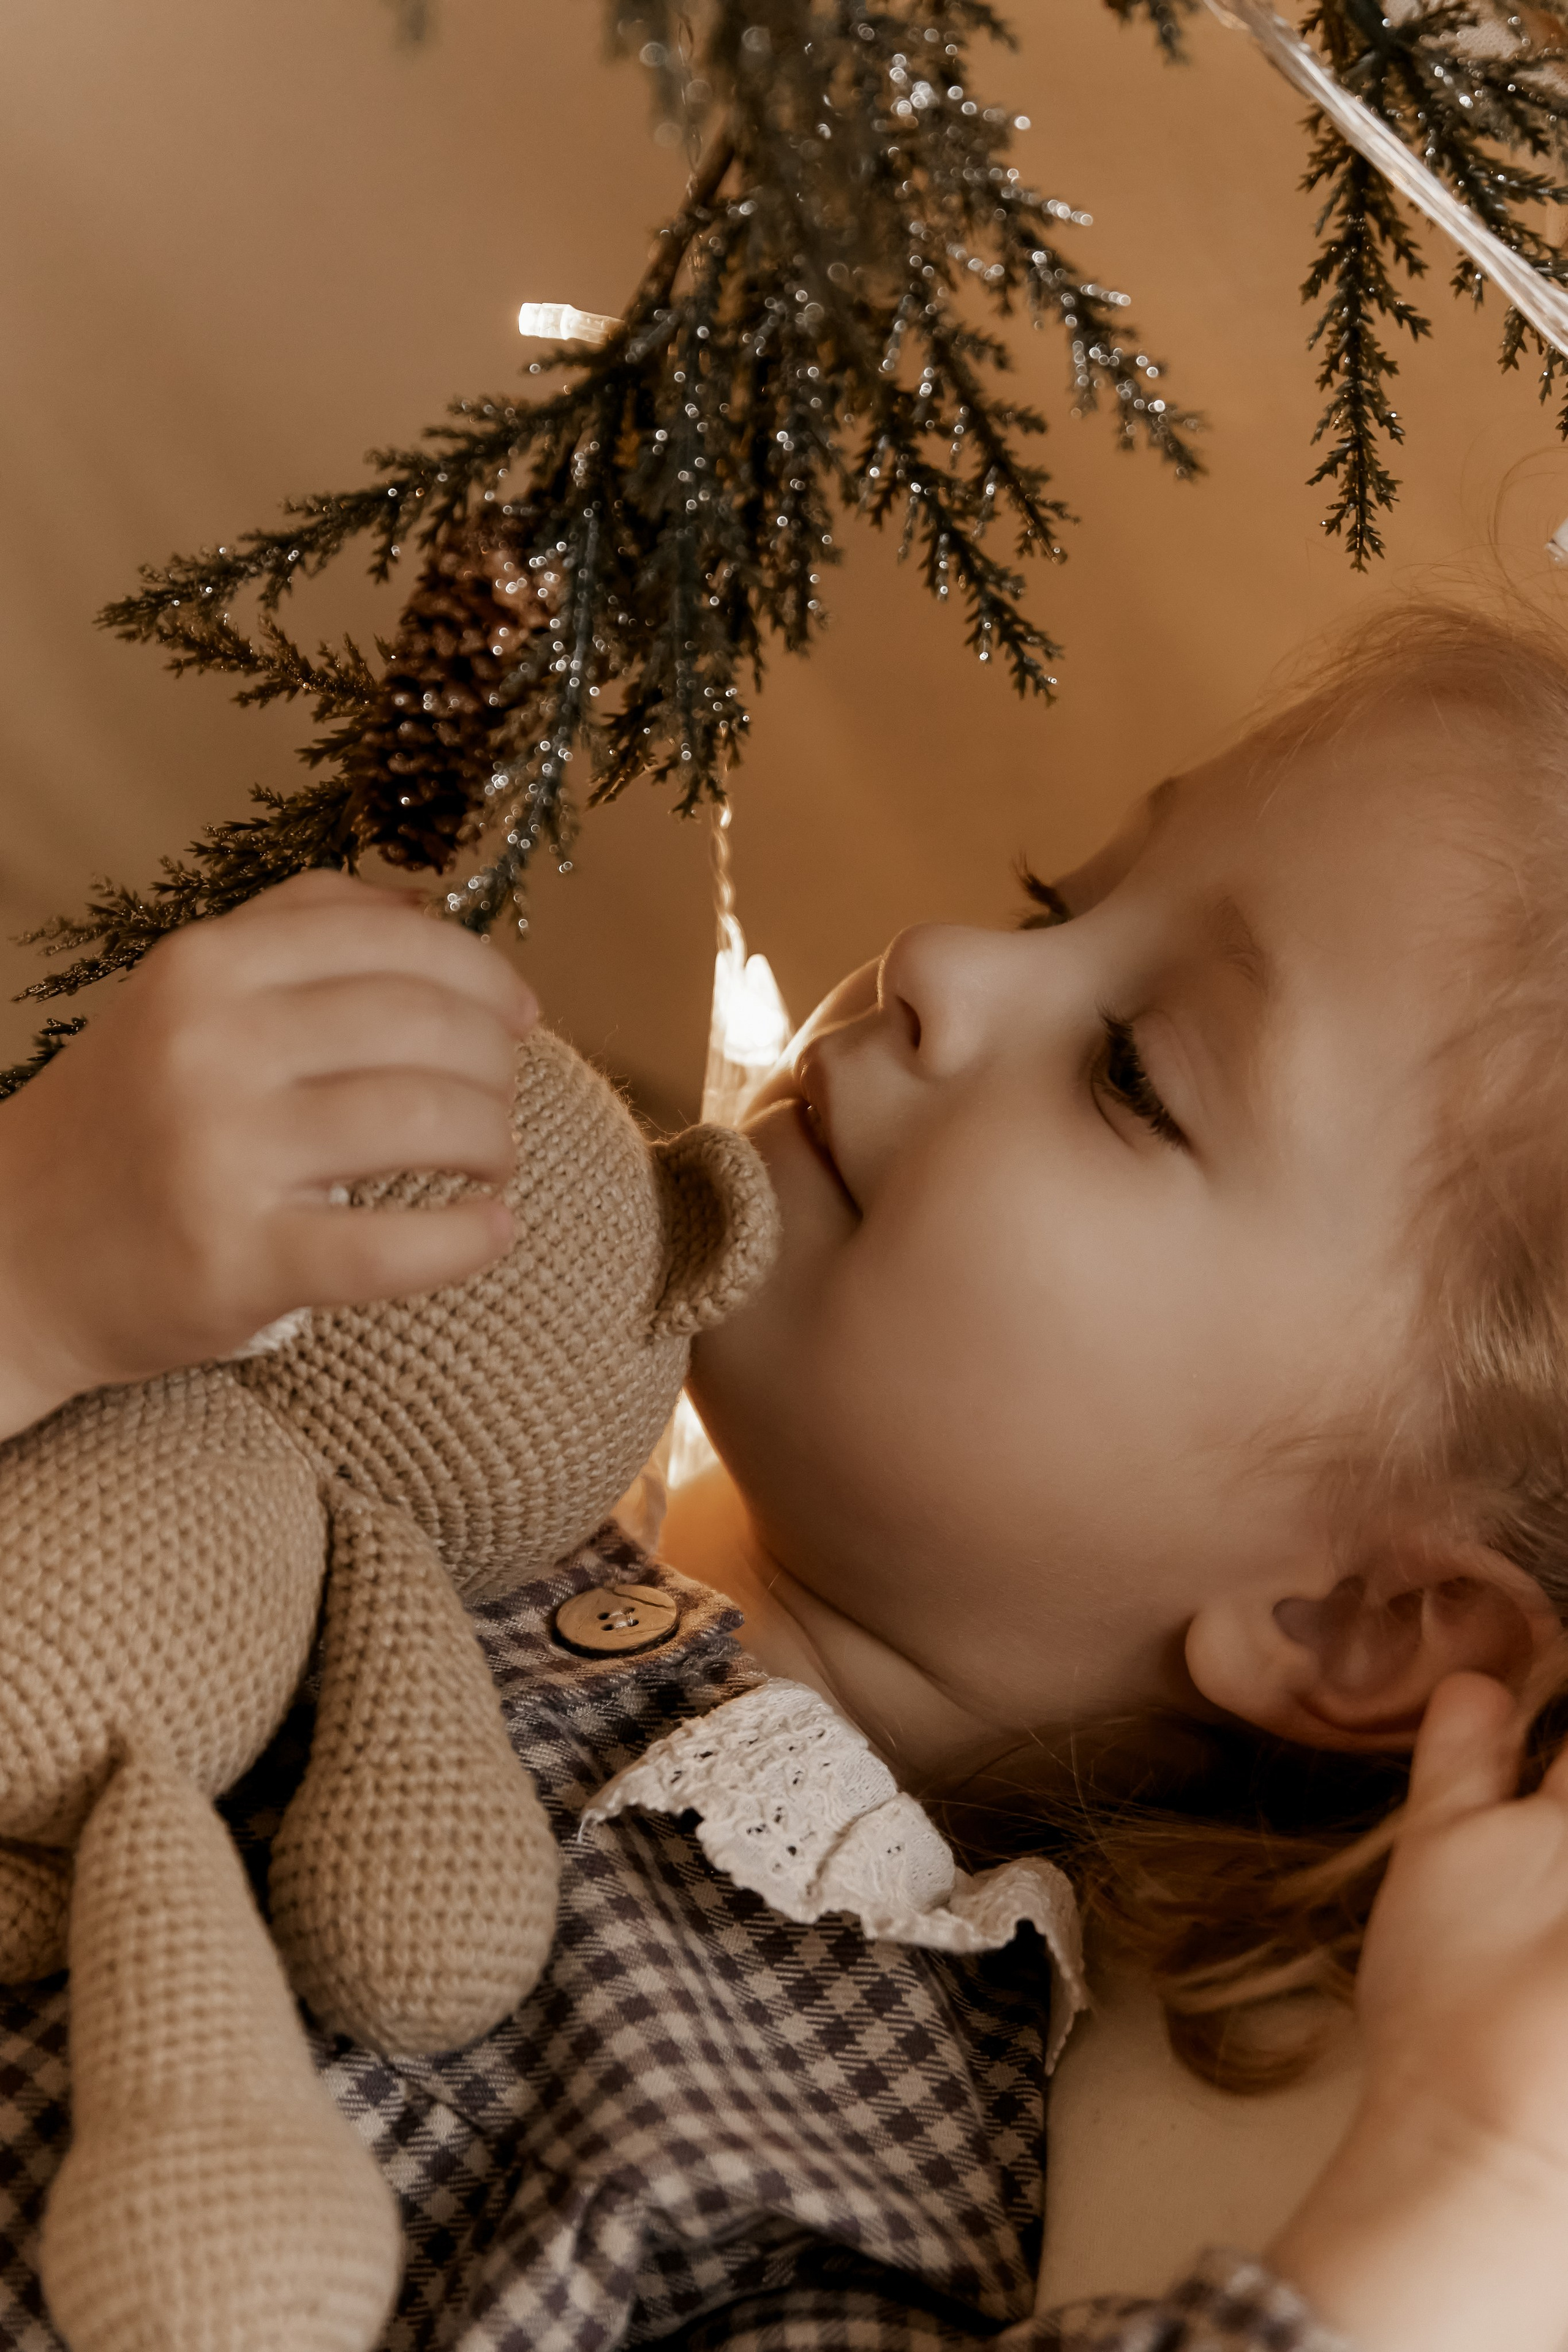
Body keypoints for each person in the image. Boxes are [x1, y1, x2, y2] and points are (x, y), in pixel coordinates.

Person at [2, 601, 1568, 2352]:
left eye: (1135, 1073)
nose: (944, 960)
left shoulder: (864, 2104)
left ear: (1356, 1616)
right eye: (1059, 896)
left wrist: (1460, 2189)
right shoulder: (354, 1423)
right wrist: (33, 1287)